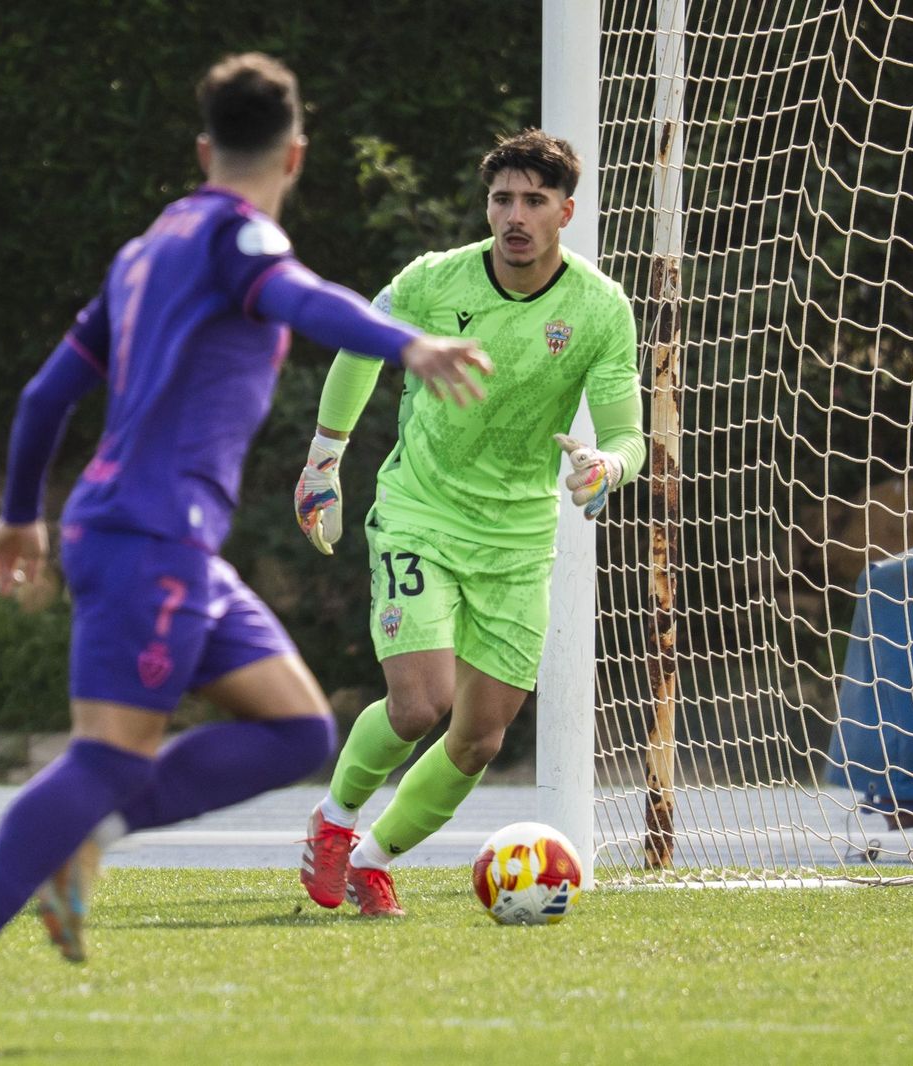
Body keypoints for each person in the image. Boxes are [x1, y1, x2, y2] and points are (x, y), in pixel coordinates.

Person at [0, 52, 492, 1054]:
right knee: (104, 758)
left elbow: (45, 396)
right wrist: (405, 344)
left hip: (169, 545)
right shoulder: (240, 235)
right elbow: (298, 297)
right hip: (146, 537)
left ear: (205, 148)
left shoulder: (142, 251)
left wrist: (17, 511)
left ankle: (87, 842)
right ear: (295, 153)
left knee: (297, 732)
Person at [294, 128, 646, 917]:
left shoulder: (598, 308)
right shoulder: (431, 282)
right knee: (421, 703)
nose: (514, 216)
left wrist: (606, 467)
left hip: (519, 537)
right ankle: (335, 821)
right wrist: (324, 460)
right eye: (502, 200)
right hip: (421, 511)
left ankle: (375, 859)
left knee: (481, 737)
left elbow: (628, 434)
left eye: (533, 201)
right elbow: (360, 344)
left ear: (566, 212)